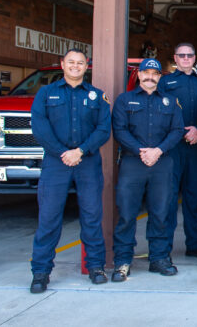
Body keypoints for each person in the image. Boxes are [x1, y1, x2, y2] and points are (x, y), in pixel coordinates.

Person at [29, 48, 112, 293]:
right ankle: (41, 273)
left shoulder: (97, 96)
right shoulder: (46, 93)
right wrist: (63, 152)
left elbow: (103, 129)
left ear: (87, 67)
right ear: (62, 64)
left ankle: (96, 267)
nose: (76, 66)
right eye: (71, 62)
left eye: (81, 63)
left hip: (87, 163)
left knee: (91, 216)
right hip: (56, 163)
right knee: (49, 219)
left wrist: (80, 151)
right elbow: (40, 127)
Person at [111, 58, 184, 281]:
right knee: (126, 213)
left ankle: (159, 258)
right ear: (140, 75)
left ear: (160, 77)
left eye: (155, 73)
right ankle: (123, 260)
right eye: (146, 73)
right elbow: (119, 129)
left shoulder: (171, 102)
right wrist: (141, 150)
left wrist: (158, 151)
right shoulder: (125, 100)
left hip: (162, 162)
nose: (150, 76)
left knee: (161, 213)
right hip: (133, 162)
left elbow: (177, 130)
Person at [159, 43, 197, 260]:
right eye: (181, 55)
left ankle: (194, 244)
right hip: (173, 148)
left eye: (189, 55)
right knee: (170, 198)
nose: (185, 58)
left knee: (193, 198)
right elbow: (161, 112)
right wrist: (179, 131)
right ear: (175, 58)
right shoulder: (165, 82)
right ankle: (165, 248)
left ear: (194, 58)